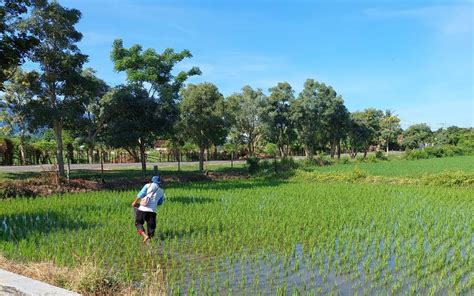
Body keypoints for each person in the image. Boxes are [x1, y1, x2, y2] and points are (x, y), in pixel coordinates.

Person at [131, 176, 165, 242]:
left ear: (152, 181)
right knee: (151, 228)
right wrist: (153, 203)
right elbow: (160, 202)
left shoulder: (148, 185)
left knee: (138, 223)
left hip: (142, 209)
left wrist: (135, 202)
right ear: (159, 183)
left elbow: (140, 195)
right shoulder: (162, 191)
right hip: (152, 212)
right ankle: (150, 242)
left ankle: (145, 236)